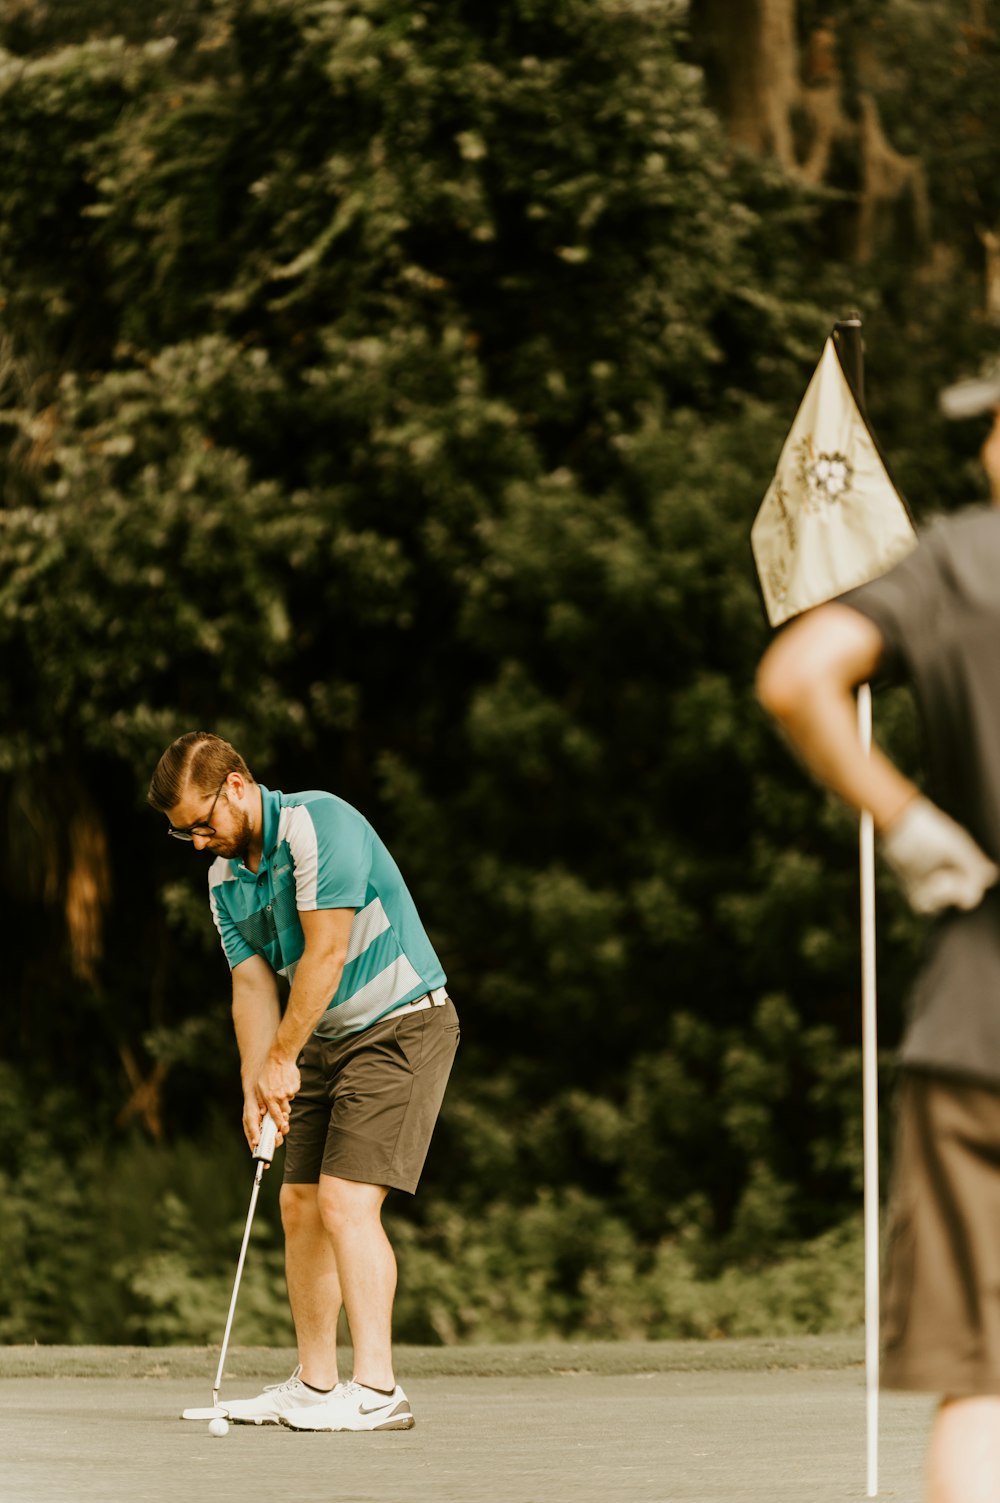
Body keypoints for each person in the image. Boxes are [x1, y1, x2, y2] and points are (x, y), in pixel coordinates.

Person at [755, 399, 1000, 1503]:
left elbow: (798, 675)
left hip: (980, 1026)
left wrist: (900, 819)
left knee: (983, 1390)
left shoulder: (962, 561)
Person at [147, 732, 459, 1432]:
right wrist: (256, 1084)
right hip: (319, 1037)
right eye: (183, 833)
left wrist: (283, 1058)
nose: (199, 840)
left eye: (203, 822)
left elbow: (325, 955)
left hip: (401, 1023)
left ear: (235, 786)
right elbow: (252, 988)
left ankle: (378, 1389)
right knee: (300, 1203)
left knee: (348, 1201)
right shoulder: (224, 879)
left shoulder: (321, 825)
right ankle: (316, 1384)